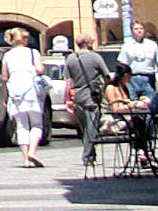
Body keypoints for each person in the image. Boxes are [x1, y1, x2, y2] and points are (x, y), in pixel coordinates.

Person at [0, 26, 46, 168]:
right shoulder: (32, 52)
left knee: (21, 126)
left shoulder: (7, 55)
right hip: (31, 92)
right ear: (25, 39)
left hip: (15, 92)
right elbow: (40, 69)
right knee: (36, 124)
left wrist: (5, 97)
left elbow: (4, 77)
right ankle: (33, 151)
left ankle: (25, 159)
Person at [67, 34, 111, 168]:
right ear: (88, 43)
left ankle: (92, 155)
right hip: (91, 97)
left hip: (78, 98)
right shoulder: (95, 57)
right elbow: (107, 76)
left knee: (85, 128)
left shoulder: (71, 58)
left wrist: (69, 99)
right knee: (91, 128)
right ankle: (87, 156)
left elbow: (68, 81)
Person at [118, 20, 158, 106]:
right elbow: (122, 65)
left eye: (141, 28)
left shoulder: (152, 45)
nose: (139, 30)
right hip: (132, 79)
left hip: (148, 78)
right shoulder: (126, 46)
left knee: (150, 105)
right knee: (134, 106)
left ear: (144, 30)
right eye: (136, 29)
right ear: (132, 31)